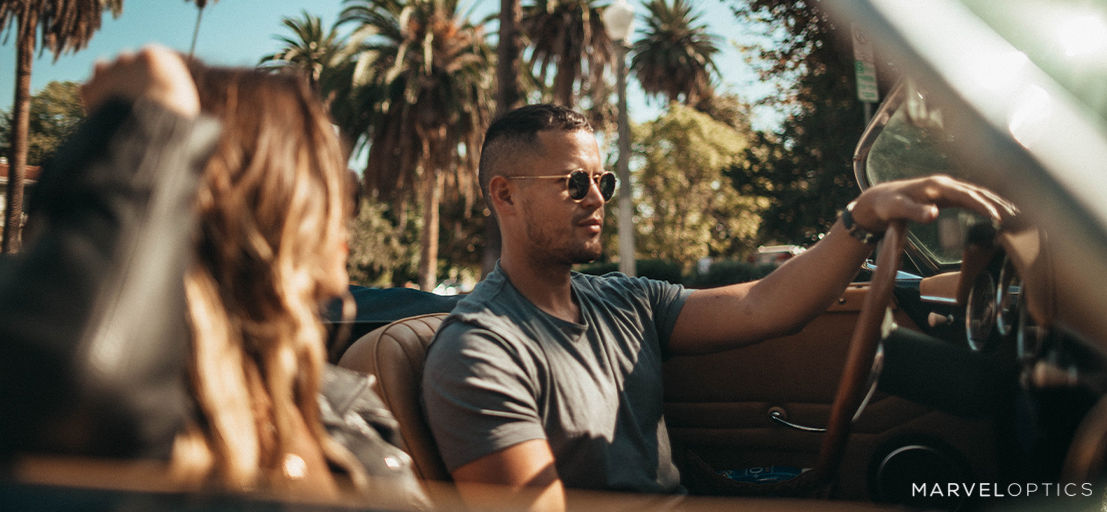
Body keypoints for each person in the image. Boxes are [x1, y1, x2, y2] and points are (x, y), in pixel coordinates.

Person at [421, 104, 1015, 511]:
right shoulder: (480, 350)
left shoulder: (624, 301)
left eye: (604, 180)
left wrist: (861, 217)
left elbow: (765, 304)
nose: (597, 198)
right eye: (574, 183)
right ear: (505, 194)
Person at [0, 46, 426, 507]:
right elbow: (75, 386)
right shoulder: (118, 414)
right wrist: (152, 127)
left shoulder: (346, 409)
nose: (345, 235)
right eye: (331, 202)